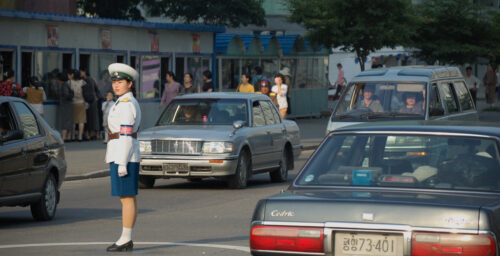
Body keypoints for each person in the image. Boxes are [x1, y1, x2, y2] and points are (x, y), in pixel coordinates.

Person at [105, 63, 141, 252]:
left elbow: (126, 135)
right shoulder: (122, 102)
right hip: (123, 152)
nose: (116, 85)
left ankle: (125, 238)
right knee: (128, 197)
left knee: (126, 198)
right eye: (115, 82)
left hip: (123, 153)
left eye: (120, 82)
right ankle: (126, 237)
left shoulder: (126, 104)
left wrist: (122, 162)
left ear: (129, 84)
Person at [81, 69, 101, 140]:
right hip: (93, 101)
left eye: (81, 71)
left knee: (89, 119)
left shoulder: (86, 80)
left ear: (84, 72)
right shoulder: (92, 79)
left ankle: (89, 134)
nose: (80, 73)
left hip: (89, 101)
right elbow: (97, 90)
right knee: (92, 118)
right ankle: (92, 134)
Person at [68, 69, 87, 142]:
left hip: (73, 102)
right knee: (81, 121)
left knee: (73, 121)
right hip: (81, 102)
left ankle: (72, 136)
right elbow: (85, 92)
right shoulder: (83, 82)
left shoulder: (70, 82)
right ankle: (80, 137)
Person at [55, 72, 73, 141]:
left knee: (65, 121)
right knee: (68, 120)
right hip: (68, 105)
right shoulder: (67, 84)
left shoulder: (64, 85)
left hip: (65, 105)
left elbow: (66, 95)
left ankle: (64, 137)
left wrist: (62, 99)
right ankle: (68, 137)